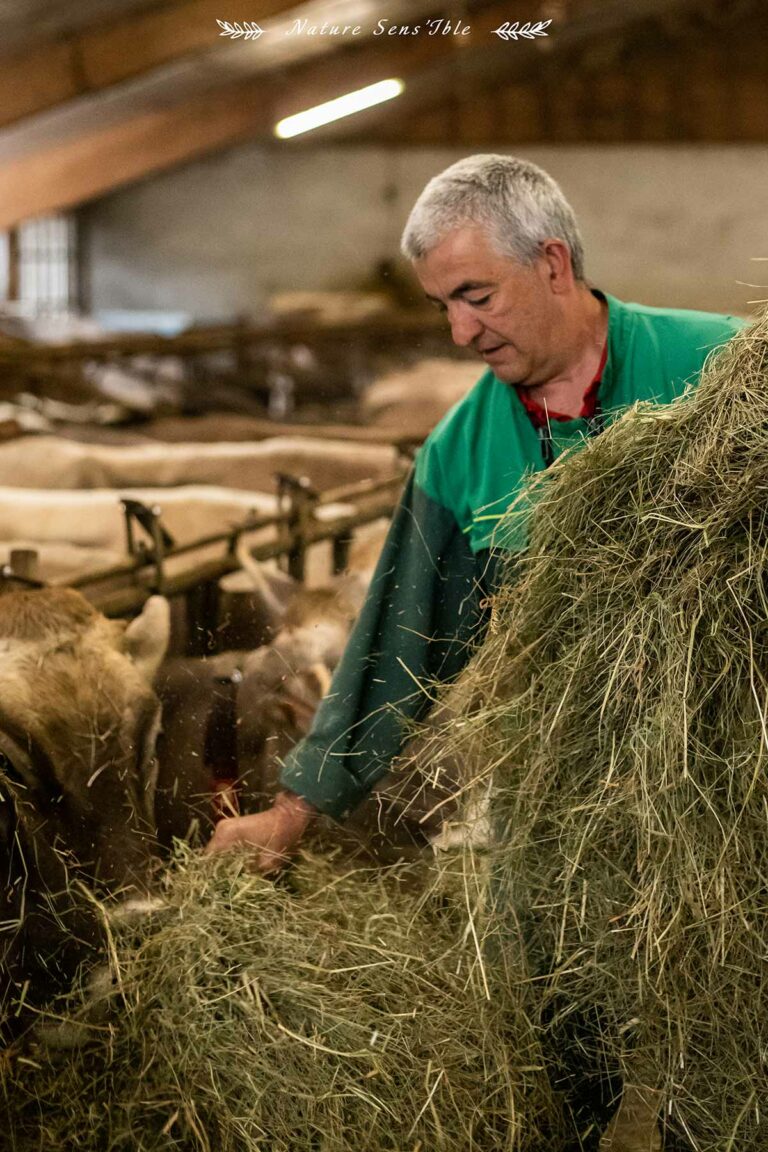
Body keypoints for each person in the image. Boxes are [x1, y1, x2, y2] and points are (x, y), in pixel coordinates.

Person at [206, 154, 743, 870]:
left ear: (552, 264)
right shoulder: (458, 454)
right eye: (443, 306)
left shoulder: (723, 367)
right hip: (582, 807)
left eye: (475, 295)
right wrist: (294, 809)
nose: (460, 331)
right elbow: (400, 638)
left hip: (740, 768)